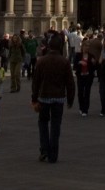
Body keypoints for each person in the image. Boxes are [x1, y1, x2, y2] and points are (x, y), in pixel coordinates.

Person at [31, 33, 75, 163]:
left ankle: (44, 149)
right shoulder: (64, 61)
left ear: (49, 46)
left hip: (44, 97)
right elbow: (70, 83)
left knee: (43, 123)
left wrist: (34, 98)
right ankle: (53, 155)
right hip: (59, 98)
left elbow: (35, 82)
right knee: (56, 125)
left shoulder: (41, 61)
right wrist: (70, 99)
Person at [75, 41, 97, 116]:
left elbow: (94, 68)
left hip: (88, 76)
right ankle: (81, 107)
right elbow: (74, 66)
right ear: (82, 47)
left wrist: (94, 63)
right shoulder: (78, 55)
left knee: (87, 92)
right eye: (85, 46)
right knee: (80, 93)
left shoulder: (91, 56)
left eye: (88, 46)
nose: (86, 47)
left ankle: (85, 110)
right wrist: (79, 62)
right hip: (80, 76)